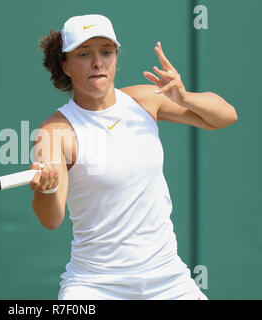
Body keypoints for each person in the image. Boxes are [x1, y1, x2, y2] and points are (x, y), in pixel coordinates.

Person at [28, 14, 238, 300]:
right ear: (65, 65)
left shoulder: (145, 100)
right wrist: (47, 188)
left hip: (169, 280)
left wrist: (184, 97)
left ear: (115, 57)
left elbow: (226, 117)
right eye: (84, 54)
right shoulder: (55, 132)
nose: (98, 63)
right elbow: (51, 218)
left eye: (106, 52)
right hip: (96, 286)